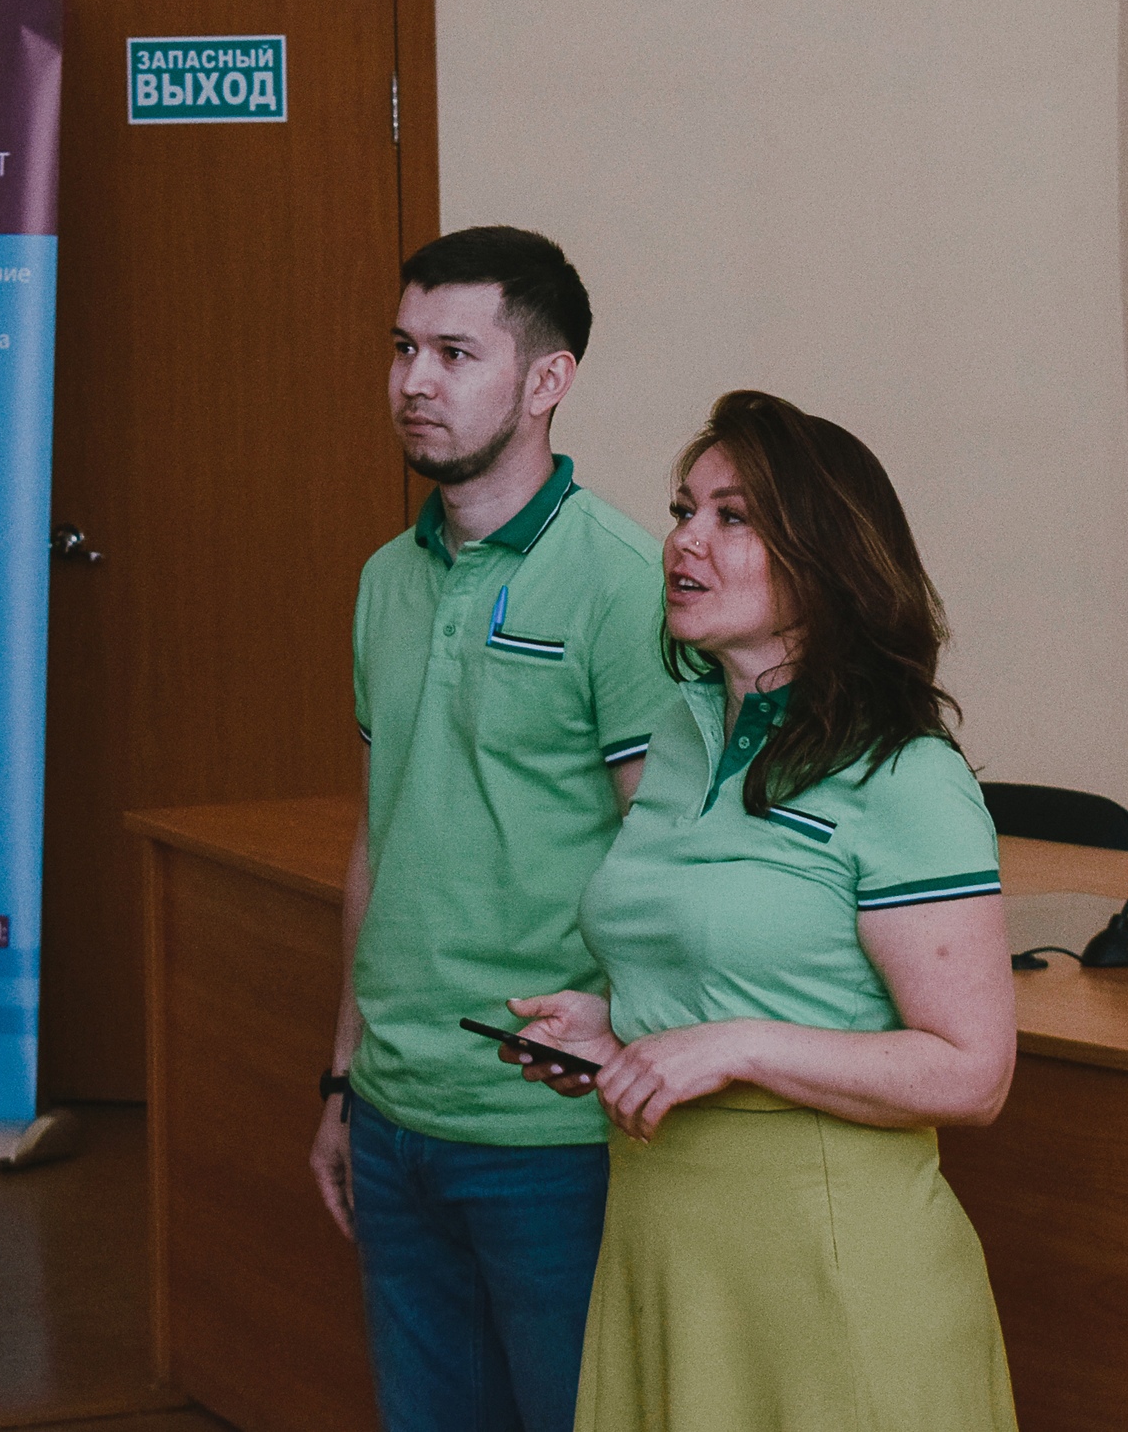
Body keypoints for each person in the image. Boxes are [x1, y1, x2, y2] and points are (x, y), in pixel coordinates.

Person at [508, 389, 1020, 1431]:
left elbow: (974, 1073)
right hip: (665, 1245)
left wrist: (735, 1045)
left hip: (829, 1270)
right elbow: (729, 969)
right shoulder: (680, 736)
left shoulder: (904, 772)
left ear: (824, 559)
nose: (684, 540)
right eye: (682, 510)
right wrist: (623, 1031)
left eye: (731, 516)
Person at [309, 226, 677, 1432]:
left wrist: (629, 1046)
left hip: (550, 1129)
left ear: (546, 379)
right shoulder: (386, 578)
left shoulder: (624, 580)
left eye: (455, 353)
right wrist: (342, 1075)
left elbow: (667, 859)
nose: (414, 380)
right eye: (402, 347)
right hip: (394, 1111)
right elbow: (381, 837)